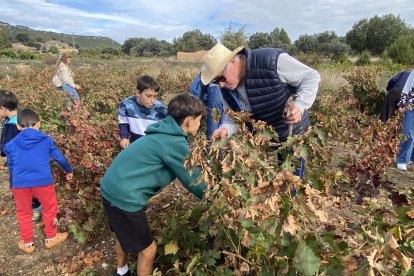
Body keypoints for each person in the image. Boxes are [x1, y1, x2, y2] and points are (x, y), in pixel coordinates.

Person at [101, 93, 206, 276]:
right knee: (148, 250)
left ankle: (121, 271)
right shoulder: (174, 142)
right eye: (199, 120)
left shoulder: (162, 131)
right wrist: (218, 196)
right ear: (189, 120)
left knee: (121, 233)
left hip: (110, 188)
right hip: (125, 197)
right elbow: (194, 181)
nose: (200, 123)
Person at [201, 43, 320, 143]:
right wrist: (225, 130)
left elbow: (310, 76)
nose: (221, 85)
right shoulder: (226, 88)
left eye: (221, 77)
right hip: (267, 142)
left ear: (232, 61)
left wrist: (299, 106)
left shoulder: (270, 60)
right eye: (216, 81)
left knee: (294, 169)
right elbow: (232, 119)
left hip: (294, 133)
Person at [3, 108, 73, 253]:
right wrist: (68, 169)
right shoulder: (45, 140)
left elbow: (11, 166)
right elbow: (59, 157)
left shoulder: (11, 145)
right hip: (43, 182)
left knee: (24, 213)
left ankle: (28, 243)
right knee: (49, 209)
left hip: (20, 184)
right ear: (38, 124)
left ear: (18, 126)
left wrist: (12, 184)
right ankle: (51, 237)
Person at [0, 90, 42, 222]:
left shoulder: (13, 127)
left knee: (23, 185)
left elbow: (6, 148)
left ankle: (35, 208)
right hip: (25, 161)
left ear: (2, 109)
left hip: (20, 164)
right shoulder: (20, 118)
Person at [118, 75, 167, 148]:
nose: (152, 100)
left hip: (154, 147)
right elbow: (123, 123)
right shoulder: (126, 105)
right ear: (138, 93)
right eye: (148, 96)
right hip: (135, 146)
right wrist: (124, 137)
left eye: (155, 96)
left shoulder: (160, 108)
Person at [189, 71, 228, 139]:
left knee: (214, 130)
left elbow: (194, 90)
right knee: (222, 127)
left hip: (215, 93)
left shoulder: (210, 64)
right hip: (222, 93)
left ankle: (213, 145)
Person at [396, 70, 414, 171]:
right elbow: (407, 87)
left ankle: (411, 158)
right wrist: (402, 104)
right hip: (411, 105)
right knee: (408, 133)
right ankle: (402, 160)